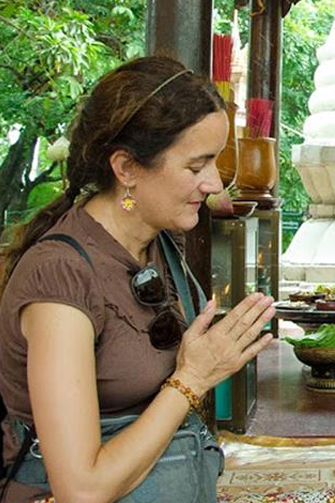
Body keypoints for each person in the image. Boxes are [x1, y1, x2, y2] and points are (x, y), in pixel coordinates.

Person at [0, 56, 276, 502]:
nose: (213, 184)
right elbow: (81, 490)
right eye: (196, 166)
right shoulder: (60, 279)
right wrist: (192, 377)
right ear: (126, 168)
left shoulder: (159, 241)